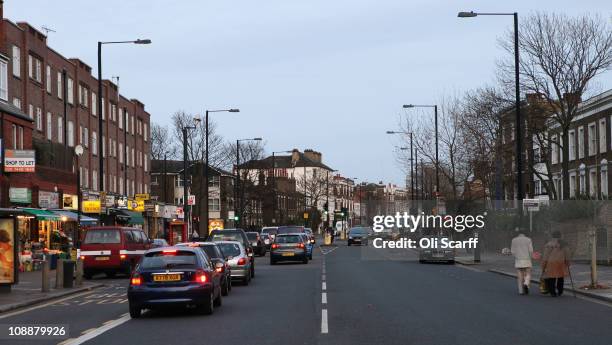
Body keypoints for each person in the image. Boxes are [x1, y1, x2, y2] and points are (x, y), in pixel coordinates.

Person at [542, 230, 570, 297]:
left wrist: (543, 265)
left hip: (551, 263)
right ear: (560, 236)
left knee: (552, 278)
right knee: (560, 277)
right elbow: (567, 253)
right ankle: (560, 291)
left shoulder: (548, 244)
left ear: (552, 236)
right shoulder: (564, 244)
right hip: (561, 262)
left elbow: (545, 256)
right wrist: (567, 261)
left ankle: (553, 292)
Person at [510, 229, 533, 295]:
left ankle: (521, 291)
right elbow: (531, 250)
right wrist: (531, 257)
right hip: (527, 259)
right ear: (525, 233)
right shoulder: (528, 240)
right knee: (528, 274)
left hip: (518, 260)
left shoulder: (514, 240)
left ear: (518, 233)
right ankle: (526, 283)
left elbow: (512, 251)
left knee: (519, 276)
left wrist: (516, 256)